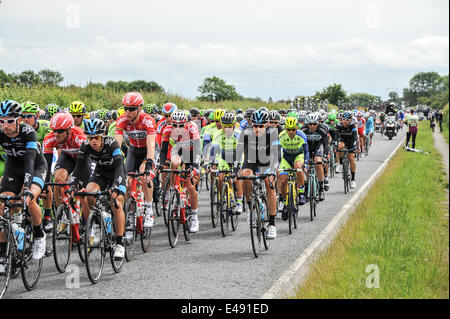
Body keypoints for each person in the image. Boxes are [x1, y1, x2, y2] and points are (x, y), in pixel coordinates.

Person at [69, 119, 127, 259]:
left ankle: (119, 243)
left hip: (116, 174)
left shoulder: (111, 144)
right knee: (88, 193)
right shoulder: (85, 145)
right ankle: (95, 225)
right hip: (100, 173)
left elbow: (119, 167)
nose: (93, 141)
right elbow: (78, 168)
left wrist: (115, 186)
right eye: (90, 138)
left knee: (117, 202)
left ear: (103, 135)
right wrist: (72, 184)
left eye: (96, 138)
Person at [0, 100, 48, 261]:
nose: (5, 125)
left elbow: (30, 162)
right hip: (13, 167)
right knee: (3, 206)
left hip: (35, 167)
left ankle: (39, 234)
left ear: (19, 120)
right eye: (1, 121)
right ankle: (2, 255)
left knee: (29, 198)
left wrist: (26, 188)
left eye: (9, 121)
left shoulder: (28, 132)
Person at [115, 92, 156, 228]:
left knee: (144, 174)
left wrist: (149, 163)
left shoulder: (147, 120)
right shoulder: (121, 120)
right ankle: (131, 214)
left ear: (139, 108)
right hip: (133, 150)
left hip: (147, 150)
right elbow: (117, 144)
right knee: (127, 181)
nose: (127, 111)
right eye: (125, 108)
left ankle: (149, 211)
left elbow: (151, 145)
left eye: (131, 109)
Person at [237, 110, 280, 239]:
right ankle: (251, 208)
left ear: (266, 125)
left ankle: (272, 224)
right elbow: (239, 151)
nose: (257, 128)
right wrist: (235, 166)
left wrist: (273, 169)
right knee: (245, 176)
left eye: (261, 126)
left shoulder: (272, 132)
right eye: (255, 125)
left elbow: (277, 153)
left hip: (267, 160)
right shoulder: (246, 132)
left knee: (269, 184)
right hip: (250, 160)